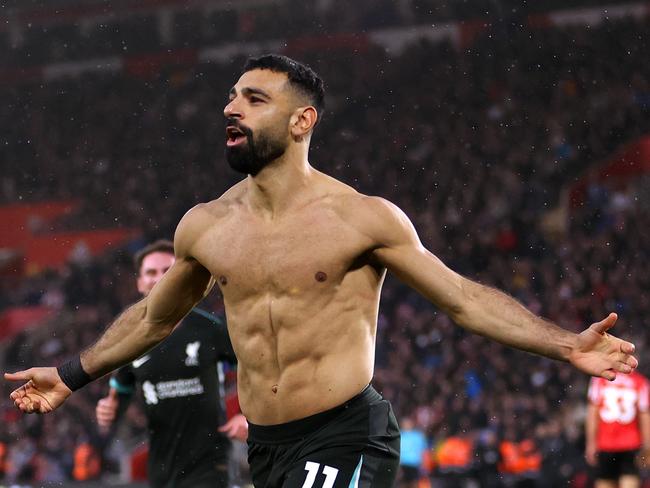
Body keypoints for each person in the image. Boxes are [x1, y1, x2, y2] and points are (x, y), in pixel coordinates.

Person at [5, 54, 639, 488]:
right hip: (266, 447)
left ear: (302, 121)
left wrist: (564, 345)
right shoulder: (204, 227)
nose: (233, 108)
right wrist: (70, 374)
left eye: (254, 99)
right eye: (231, 97)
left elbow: (464, 300)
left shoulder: (361, 219)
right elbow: (152, 318)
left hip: (346, 432)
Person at [96, 239, 247, 488]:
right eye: (151, 272)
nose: (159, 279)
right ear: (140, 283)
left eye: (167, 271)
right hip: (160, 470)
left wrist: (246, 415)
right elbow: (120, 390)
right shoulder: (130, 339)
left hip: (210, 465)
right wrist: (108, 409)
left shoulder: (211, 329)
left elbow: (253, 367)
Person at [585, 370, 650, 488]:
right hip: (631, 444)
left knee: (605, 482)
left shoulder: (600, 379)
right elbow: (645, 416)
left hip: (606, 444)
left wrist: (591, 443)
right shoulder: (640, 382)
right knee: (630, 482)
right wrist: (647, 446)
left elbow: (593, 414)